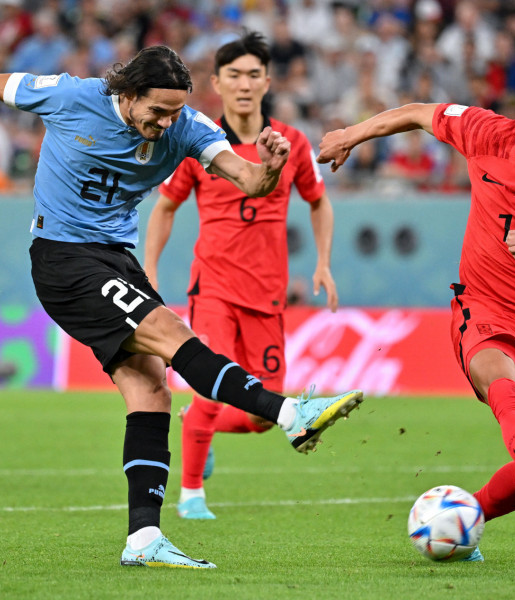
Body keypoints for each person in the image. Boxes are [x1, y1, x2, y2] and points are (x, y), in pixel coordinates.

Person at [0, 45, 363, 569]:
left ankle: (143, 539)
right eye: (157, 111)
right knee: (172, 333)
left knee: (151, 392)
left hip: (115, 260)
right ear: (126, 94)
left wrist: (273, 166)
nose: (167, 122)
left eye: (175, 111)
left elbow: (251, 182)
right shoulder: (74, 96)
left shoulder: (188, 128)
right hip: (63, 258)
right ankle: (288, 412)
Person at [318, 48, 515, 548]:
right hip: (483, 307)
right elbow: (418, 113)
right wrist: (352, 134)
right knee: (504, 386)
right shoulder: (488, 133)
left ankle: (464, 515)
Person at [143, 31, 339, 521]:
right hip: (213, 286)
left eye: (254, 74)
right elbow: (165, 208)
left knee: (258, 416)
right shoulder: (199, 140)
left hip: (268, 293)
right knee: (213, 382)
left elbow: (320, 202)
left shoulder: (290, 143)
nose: (245, 84)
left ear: (267, 82)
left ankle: (196, 428)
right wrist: (148, 269)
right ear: (218, 83)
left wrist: (322, 262)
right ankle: (190, 495)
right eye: (234, 75)